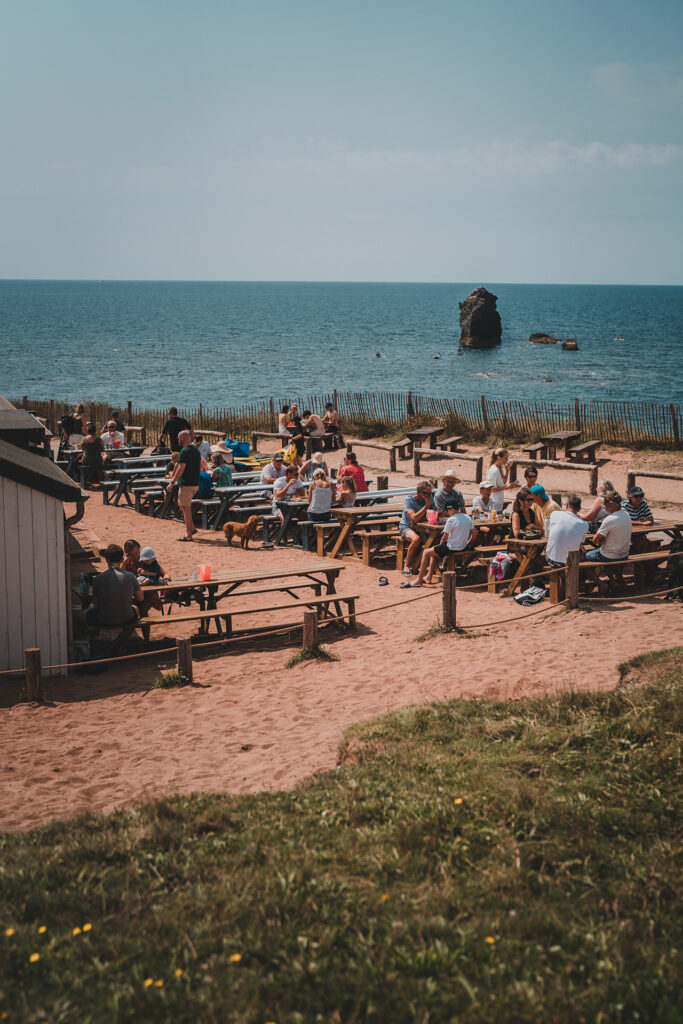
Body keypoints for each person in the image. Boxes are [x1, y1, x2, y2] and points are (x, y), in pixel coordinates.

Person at [404, 508, 477, 587]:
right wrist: (467, 543)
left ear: (451, 509)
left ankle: (419, 580)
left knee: (426, 552)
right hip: (462, 546)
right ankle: (428, 577)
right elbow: (474, 534)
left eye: (448, 511)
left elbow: (444, 538)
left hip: (452, 547)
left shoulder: (451, 519)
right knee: (434, 551)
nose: (447, 513)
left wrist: (441, 545)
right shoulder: (467, 517)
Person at [86, 544, 143, 628]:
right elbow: (140, 598)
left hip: (105, 620)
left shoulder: (98, 579)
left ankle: (93, 638)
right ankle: (124, 638)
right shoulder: (130, 576)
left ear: (106, 559)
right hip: (128, 618)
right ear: (122, 560)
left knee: (89, 609)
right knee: (136, 608)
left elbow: (96, 605)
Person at [165, 429, 201, 541]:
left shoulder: (184, 451)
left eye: (178, 438)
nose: (178, 440)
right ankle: (192, 527)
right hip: (195, 483)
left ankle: (188, 535)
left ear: (182, 438)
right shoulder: (196, 450)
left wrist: (172, 482)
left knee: (186, 508)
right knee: (182, 504)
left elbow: (181, 468)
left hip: (187, 484)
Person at [585, 491, 632, 562]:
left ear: (612, 503)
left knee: (585, 556)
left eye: (605, 501)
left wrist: (602, 540)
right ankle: (613, 573)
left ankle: (591, 573)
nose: (603, 504)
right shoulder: (626, 514)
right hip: (624, 555)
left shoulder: (610, 519)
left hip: (609, 556)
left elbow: (595, 540)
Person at [399, 480, 434, 576]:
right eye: (428, 493)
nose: (430, 495)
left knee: (435, 539)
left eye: (431, 493)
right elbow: (413, 518)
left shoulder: (430, 498)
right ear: (421, 493)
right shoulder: (409, 500)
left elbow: (435, 512)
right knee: (416, 539)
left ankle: (431, 566)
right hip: (405, 527)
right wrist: (426, 507)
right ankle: (406, 565)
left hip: (421, 527)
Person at [545, 494, 589, 567]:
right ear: (579, 509)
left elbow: (550, 534)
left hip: (552, 559)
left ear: (567, 505)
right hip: (570, 562)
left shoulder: (554, 514)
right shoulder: (584, 524)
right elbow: (580, 543)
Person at [121, 539, 161, 613]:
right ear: (127, 554)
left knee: (143, 603)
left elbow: (163, 573)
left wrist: (166, 578)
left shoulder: (146, 560)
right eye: (132, 555)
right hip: (134, 594)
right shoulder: (127, 563)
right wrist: (125, 561)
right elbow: (120, 577)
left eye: (137, 553)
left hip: (148, 593)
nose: (136, 556)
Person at [80, 422, 105, 486]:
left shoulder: (83, 439)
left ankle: (85, 481)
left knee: (85, 467)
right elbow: (103, 449)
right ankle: (100, 481)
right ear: (95, 431)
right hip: (97, 460)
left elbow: (82, 449)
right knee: (100, 467)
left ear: (88, 431)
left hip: (86, 460)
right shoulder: (99, 439)